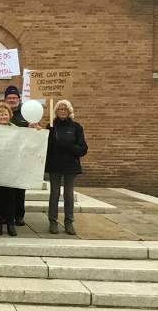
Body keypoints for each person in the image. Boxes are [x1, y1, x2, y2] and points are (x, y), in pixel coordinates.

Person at [46, 100, 88, 235]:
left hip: (70, 166)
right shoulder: (51, 127)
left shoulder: (76, 127)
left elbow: (83, 149)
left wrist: (67, 146)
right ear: (56, 112)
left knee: (68, 195)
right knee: (54, 194)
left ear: (69, 112)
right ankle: (53, 221)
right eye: (60, 109)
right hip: (55, 165)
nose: (62, 111)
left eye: (65, 109)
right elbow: (46, 147)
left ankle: (69, 222)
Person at [0, 103, 18, 237]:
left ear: (9, 116)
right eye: (0, 114)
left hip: (11, 169)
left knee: (11, 198)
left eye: (5, 114)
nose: (3, 116)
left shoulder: (17, 130)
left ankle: (10, 223)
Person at [3, 85, 28, 226]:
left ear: (19, 99)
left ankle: (19, 216)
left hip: (20, 159)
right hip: (4, 159)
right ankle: (5, 216)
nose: (12, 100)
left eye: (14, 97)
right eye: (9, 98)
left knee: (19, 189)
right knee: (5, 190)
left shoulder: (26, 114)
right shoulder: (0, 113)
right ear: (5, 99)